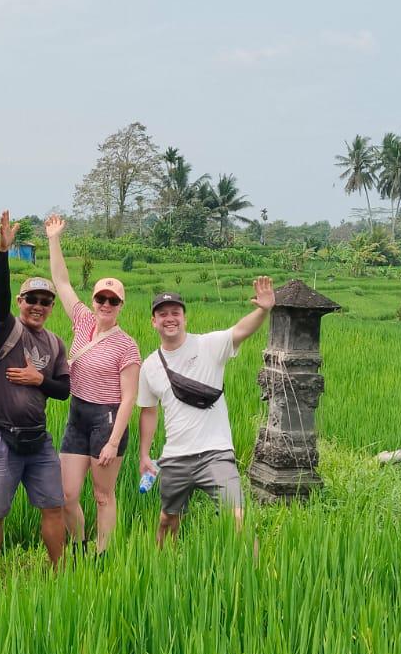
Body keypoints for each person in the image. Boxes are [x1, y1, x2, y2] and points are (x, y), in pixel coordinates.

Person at [136, 278, 275, 545]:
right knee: (167, 520)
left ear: (184, 318)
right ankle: (161, 565)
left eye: (175, 313)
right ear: (153, 321)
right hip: (175, 457)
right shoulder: (150, 366)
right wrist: (144, 454)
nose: (169, 318)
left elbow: (240, 331)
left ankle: (255, 570)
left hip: (216, 454)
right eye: (162, 314)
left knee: (237, 518)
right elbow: (148, 411)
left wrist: (263, 310)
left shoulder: (209, 345)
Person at [0, 211, 71, 572]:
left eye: (45, 301)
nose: (38, 307)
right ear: (20, 301)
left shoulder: (55, 343)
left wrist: (38, 379)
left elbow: (63, 390)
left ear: (51, 307)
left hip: (38, 440)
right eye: (32, 300)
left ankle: (60, 573)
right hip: (0, 436)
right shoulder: (5, 327)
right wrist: (2, 253)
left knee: (54, 506)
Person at [43, 214, 140, 555]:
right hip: (78, 415)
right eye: (101, 299)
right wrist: (54, 238)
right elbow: (61, 282)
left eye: (113, 301)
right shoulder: (83, 320)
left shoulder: (127, 345)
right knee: (66, 494)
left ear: (121, 305)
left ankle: (102, 553)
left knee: (102, 495)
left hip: (108, 421)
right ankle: (79, 544)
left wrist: (112, 443)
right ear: (94, 300)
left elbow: (129, 398)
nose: (106, 305)